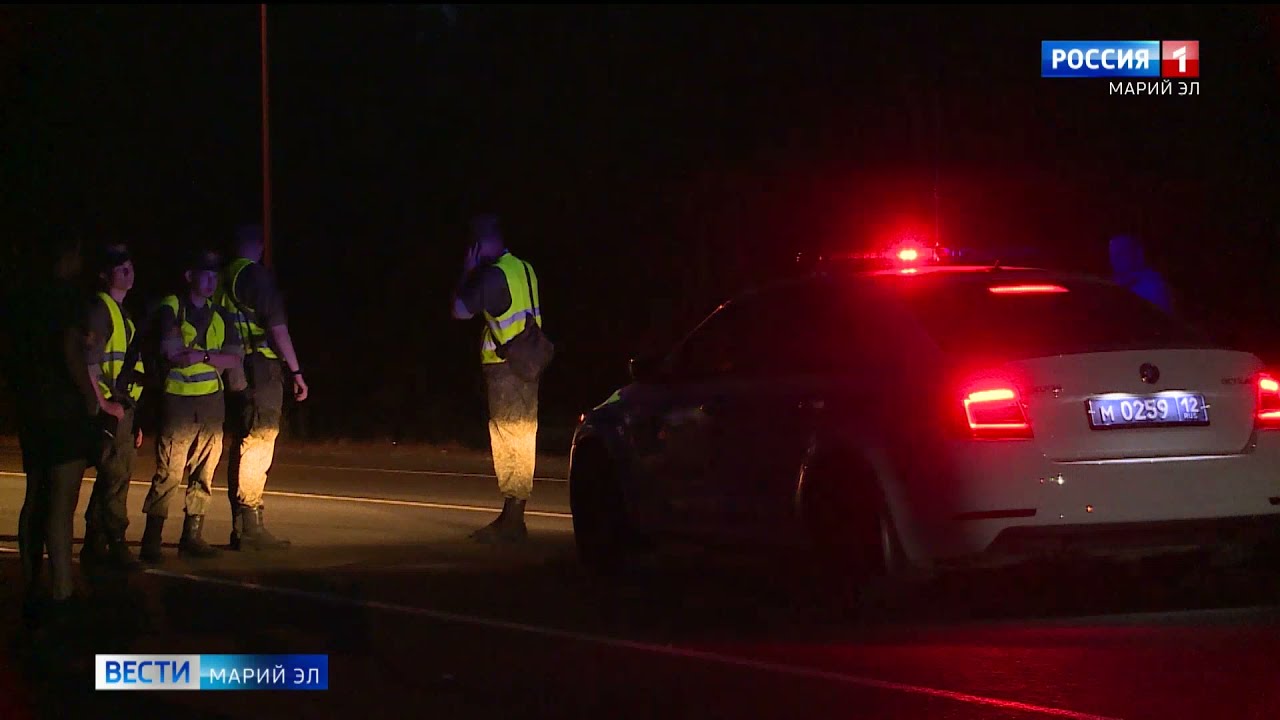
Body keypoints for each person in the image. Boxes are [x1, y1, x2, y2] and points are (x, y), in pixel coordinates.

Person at [0, 230, 98, 621]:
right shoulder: (67, 297)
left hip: (32, 407)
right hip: (62, 408)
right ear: (70, 255)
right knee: (62, 501)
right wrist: (88, 395)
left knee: (35, 495)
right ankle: (62, 590)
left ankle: (31, 583)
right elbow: (69, 348)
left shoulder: (23, 298)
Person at [139, 248, 243, 563]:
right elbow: (172, 352)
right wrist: (213, 358)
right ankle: (152, 540)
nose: (211, 281)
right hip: (178, 401)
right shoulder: (172, 306)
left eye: (215, 276)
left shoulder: (221, 314)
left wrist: (201, 355)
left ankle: (192, 536)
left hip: (211, 402)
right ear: (189, 276)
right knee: (169, 471)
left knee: (205, 470)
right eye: (205, 275)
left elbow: (235, 358)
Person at [450, 214, 543, 544]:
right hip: (531, 362)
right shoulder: (525, 269)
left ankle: (512, 519)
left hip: (506, 368)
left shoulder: (493, 275)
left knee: (507, 438)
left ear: (480, 244)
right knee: (524, 434)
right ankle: (513, 513)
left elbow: (459, 309)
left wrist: (468, 271)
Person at [214, 223, 305, 551]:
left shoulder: (222, 279)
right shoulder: (255, 277)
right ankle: (251, 525)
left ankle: (241, 526)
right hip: (260, 368)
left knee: (243, 441)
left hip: (234, 370)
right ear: (259, 246)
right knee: (260, 440)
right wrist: (296, 370)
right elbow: (277, 328)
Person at [80, 242, 146, 570]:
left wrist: (134, 417)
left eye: (130, 267)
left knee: (114, 477)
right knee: (116, 476)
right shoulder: (101, 310)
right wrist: (104, 403)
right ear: (105, 275)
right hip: (112, 410)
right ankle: (116, 542)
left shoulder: (123, 315)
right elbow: (89, 363)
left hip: (124, 408)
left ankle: (94, 543)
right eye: (121, 268)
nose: (128, 272)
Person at [1109, 234, 1175, 314]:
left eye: (1121, 253)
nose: (1115, 259)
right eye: (1112, 255)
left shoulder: (1151, 287)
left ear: (1138, 254)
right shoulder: (1113, 285)